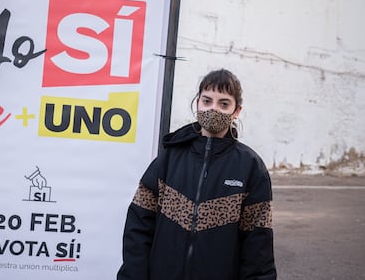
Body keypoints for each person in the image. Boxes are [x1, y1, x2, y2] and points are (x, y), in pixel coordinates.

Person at [117, 68, 277, 280]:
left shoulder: (251, 167)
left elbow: (258, 246)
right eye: (207, 101)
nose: (214, 109)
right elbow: (138, 228)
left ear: (237, 111)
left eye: (224, 104)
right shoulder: (168, 159)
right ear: (197, 104)